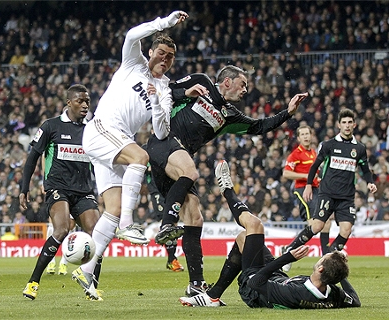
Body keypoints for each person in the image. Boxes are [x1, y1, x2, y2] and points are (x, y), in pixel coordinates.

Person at [146, 65, 308, 296]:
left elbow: (259, 126)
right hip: (163, 142)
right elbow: (167, 89)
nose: (245, 90)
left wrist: (288, 113)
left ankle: (196, 284)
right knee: (191, 172)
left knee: (195, 216)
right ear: (228, 82)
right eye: (243, 85)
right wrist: (187, 92)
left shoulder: (230, 115)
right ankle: (167, 225)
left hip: (178, 162)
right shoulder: (202, 82)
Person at [72, 11, 189, 300]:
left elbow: (161, 131)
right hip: (102, 129)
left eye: (170, 57)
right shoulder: (133, 63)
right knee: (140, 158)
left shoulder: (164, 87)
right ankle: (128, 225)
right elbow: (131, 35)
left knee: (112, 208)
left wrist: (155, 101)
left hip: (117, 142)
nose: (164, 59)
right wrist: (163, 23)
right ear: (150, 52)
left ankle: (85, 272)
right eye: (160, 53)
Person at [179, 160, 361, 309]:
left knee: (254, 225)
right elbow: (355, 300)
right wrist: (339, 270)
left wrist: (287, 258)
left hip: (254, 287)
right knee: (243, 237)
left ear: (320, 269)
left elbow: (255, 283)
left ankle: (227, 189)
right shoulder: (332, 292)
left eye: (323, 258)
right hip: (274, 276)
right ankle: (213, 296)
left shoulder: (297, 294)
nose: (321, 257)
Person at [21, 84, 101, 301]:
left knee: (99, 233)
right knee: (61, 229)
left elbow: (99, 162)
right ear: (69, 103)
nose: (85, 105)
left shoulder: (92, 129)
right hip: (58, 188)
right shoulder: (51, 126)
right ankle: (33, 282)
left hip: (84, 190)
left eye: (87, 101)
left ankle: (91, 286)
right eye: (80, 101)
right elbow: (32, 159)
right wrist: (24, 188)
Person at [282, 109, 377, 263]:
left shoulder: (359, 148)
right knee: (317, 226)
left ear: (354, 125)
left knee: (346, 230)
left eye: (349, 122)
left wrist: (370, 182)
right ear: (339, 125)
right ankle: (290, 249)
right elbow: (314, 167)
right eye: (344, 122)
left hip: (346, 197)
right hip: (327, 194)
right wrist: (307, 185)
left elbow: (365, 169)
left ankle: (328, 259)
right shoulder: (329, 145)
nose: (347, 126)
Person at [282, 125, 331, 271]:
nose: (305, 136)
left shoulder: (314, 153)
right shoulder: (295, 154)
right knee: (316, 224)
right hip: (303, 190)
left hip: (316, 189)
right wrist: (306, 176)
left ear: (311, 135)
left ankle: (325, 258)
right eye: (302, 134)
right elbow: (286, 173)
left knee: (326, 223)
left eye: (307, 133)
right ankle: (289, 251)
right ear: (298, 138)